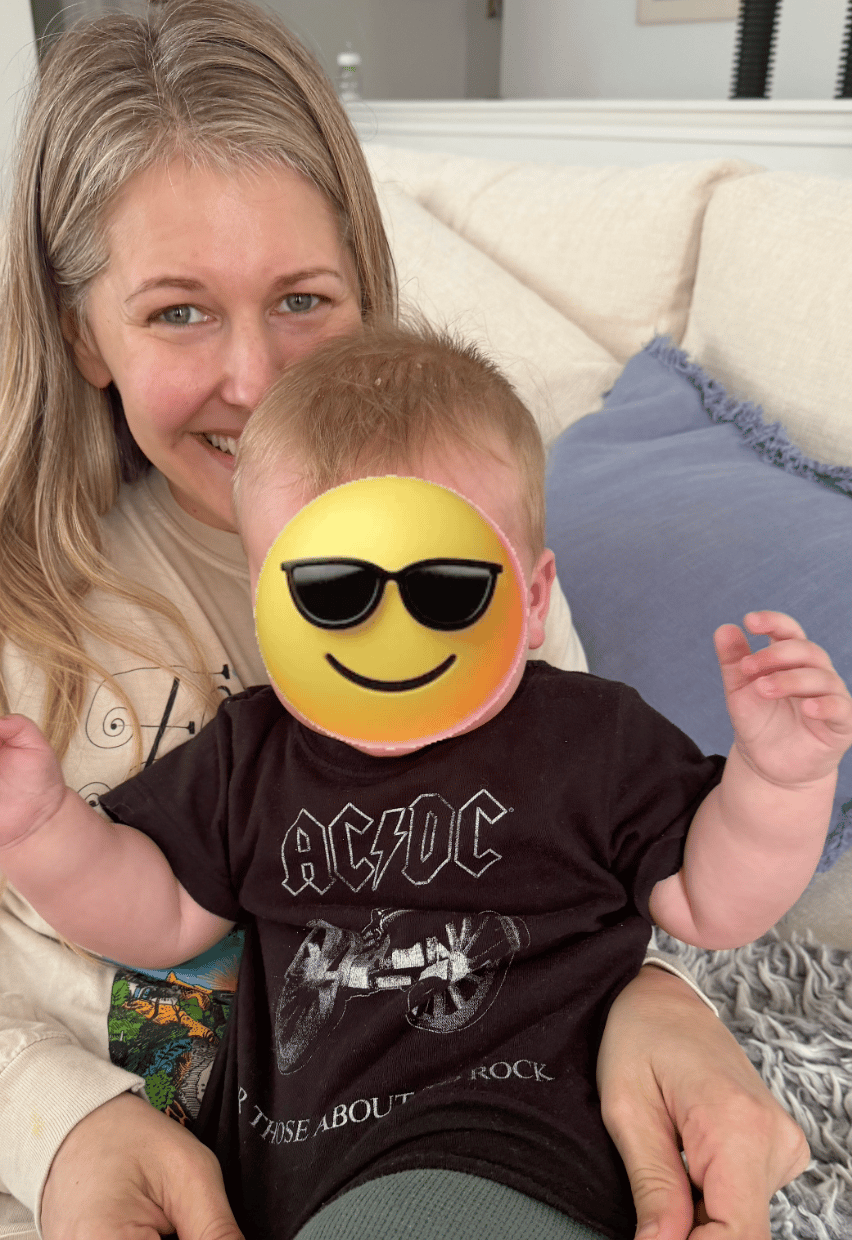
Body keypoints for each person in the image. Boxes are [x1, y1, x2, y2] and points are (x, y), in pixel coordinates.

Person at [0, 2, 809, 1239]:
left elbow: (604, 862)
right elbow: (142, 902)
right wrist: (58, 1123)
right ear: (81, 333)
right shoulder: (45, 621)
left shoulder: (468, 539)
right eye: (178, 312)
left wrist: (662, 994)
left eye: (303, 299)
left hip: (489, 1156)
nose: (259, 382)